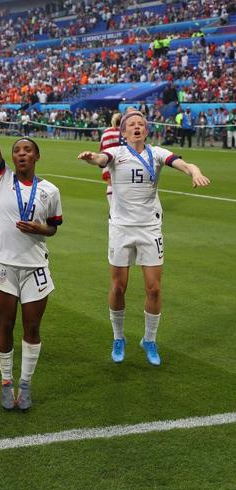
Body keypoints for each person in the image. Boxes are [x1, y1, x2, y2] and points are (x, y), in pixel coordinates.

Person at [78, 110, 209, 366]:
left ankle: (149, 339)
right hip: (121, 228)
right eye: (131, 125)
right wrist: (91, 158)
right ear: (123, 132)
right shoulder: (118, 153)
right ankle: (119, 337)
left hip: (150, 228)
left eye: (141, 124)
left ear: (146, 130)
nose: (137, 127)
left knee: (154, 287)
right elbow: (101, 158)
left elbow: (184, 163)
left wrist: (193, 172)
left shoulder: (157, 153)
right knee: (118, 286)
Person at [0, 79, 63, 411]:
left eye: (27, 150)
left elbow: (53, 230)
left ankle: (26, 384)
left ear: (37, 156)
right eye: (17, 151)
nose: (21, 154)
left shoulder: (50, 191)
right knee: (5, 324)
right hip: (4, 265)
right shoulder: (2, 178)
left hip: (36, 268)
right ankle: (6, 381)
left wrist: (40, 227)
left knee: (32, 326)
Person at [99, 112, 122, 207]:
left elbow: (101, 147)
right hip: (122, 161)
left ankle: (112, 208)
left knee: (110, 184)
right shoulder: (124, 132)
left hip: (108, 160)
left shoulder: (106, 132)